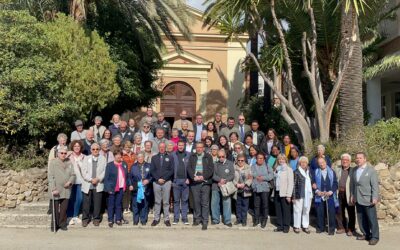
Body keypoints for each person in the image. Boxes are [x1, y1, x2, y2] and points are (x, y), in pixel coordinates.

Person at [350, 152, 380, 245]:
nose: (358, 159)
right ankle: (366, 234)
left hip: (368, 199)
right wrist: (352, 195)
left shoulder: (371, 170)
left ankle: (375, 237)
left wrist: (375, 197)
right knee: (361, 218)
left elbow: (375, 185)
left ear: (365, 159)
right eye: (357, 158)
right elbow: (353, 184)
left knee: (372, 219)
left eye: (360, 158)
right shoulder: (354, 170)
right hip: (358, 198)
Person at [187, 142, 214, 230]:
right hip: (195, 183)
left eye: (201, 147)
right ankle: (197, 219)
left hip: (205, 182)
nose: (199, 149)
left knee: (205, 203)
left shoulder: (208, 157)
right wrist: (193, 177)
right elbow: (189, 168)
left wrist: (203, 176)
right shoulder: (192, 156)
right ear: (195, 148)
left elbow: (211, 169)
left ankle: (205, 221)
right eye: (197, 147)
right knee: (196, 202)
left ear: (203, 148)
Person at [48, 146, 75, 232]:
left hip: (66, 189)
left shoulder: (69, 162)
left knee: (64, 209)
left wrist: (70, 181)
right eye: (61, 153)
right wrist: (53, 188)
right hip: (56, 188)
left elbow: (73, 175)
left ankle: (62, 224)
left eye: (65, 153)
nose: (63, 155)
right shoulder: (53, 162)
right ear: (58, 154)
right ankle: (54, 225)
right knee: (55, 209)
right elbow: (50, 177)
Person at [80, 143, 106, 227]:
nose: (95, 150)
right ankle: (85, 219)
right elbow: (83, 172)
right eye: (93, 149)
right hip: (88, 183)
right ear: (91, 150)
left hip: (98, 183)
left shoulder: (103, 159)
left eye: (97, 149)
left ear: (99, 150)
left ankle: (96, 219)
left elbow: (105, 171)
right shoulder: (86, 158)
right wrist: (91, 179)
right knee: (86, 203)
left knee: (97, 203)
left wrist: (98, 179)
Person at [150, 142, 174, 227]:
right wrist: (158, 179)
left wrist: (164, 179)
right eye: (160, 147)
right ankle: (156, 219)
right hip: (156, 182)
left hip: (166, 182)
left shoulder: (170, 157)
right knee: (157, 201)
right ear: (158, 148)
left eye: (163, 147)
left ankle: (166, 219)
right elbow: (152, 170)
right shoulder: (154, 158)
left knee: (166, 202)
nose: (162, 148)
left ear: (165, 147)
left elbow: (172, 170)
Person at [312, 157, 338, 235]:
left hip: (329, 195)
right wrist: (317, 191)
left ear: (325, 162)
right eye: (319, 163)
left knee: (331, 212)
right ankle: (320, 228)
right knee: (319, 212)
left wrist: (331, 191)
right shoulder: (316, 171)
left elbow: (335, 183)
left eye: (322, 162)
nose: (321, 164)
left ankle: (331, 229)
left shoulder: (332, 171)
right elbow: (313, 182)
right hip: (319, 195)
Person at [104, 149, 129, 228]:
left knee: (118, 205)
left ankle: (118, 219)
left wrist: (127, 185)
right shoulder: (110, 165)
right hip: (112, 188)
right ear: (114, 156)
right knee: (111, 205)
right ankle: (110, 220)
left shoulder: (124, 164)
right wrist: (108, 189)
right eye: (117, 155)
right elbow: (106, 178)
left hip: (121, 188)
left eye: (120, 155)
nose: (118, 156)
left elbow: (126, 176)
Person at [211, 149, 235, 227]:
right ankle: (215, 219)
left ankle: (227, 220)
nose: (221, 158)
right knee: (214, 203)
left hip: (226, 186)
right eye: (219, 156)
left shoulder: (230, 164)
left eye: (222, 156)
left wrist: (225, 181)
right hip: (216, 186)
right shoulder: (215, 164)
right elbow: (213, 175)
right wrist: (219, 180)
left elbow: (232, 175)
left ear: (225, 156)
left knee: (227, 203)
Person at [334, 153, 356, 236]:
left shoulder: (353, 170)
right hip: (339, 193)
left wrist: (353, 194)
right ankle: (341, 227)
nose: (345, 161)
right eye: (343, 160)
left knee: (351, 211)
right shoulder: (337, 169)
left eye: (347, 160)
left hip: (349, 193)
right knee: (339, 211)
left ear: (350, 161)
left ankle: (351, 229)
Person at [129, 152, 152, 226]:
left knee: (144, 205)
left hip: (146, 189)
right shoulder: (133, 166)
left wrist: (148, 180)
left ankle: (143, 220)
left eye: (141, 157)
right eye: (139, 157)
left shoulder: (149, 165)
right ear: (137, 158)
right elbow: (130, 177)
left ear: (144, 157)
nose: (140, 158)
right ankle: (135, 220)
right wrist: (130, 185)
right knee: (135, 206)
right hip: (136, 189)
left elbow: (152, 176)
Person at [251, 153, 274, 228]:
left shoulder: (267, 166)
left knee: (265, 205)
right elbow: (251, 175)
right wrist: (256, 178)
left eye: (261, 158)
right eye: (258, 158)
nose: (260, 160)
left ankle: (264, 219)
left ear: (264, 159)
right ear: (256, 159)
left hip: (265, 188)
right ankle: (256, 219)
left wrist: (263, 178)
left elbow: (271, 175)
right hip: (256, 187)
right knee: (256, 205)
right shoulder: (253, 166)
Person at [273, 154, 294, 233]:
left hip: (285, 193)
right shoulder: (276, 169)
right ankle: (280, 226)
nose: (281, 161)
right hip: (277, 191)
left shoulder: (289, 169)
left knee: (286, 210)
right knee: (278, 210)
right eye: (279, 159)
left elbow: (290, 183)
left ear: (286, 160)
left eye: (282, 159)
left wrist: (289, 195)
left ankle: (286, 226)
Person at [171, 140, 191, 225]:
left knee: (185, 200)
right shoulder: (173, 155)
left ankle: (184, 218)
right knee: (176, 200)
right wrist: (172, 179)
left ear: (185, 145)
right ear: (177, 145)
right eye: (179, 145)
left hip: (185, 180)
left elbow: (191, 167)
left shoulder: (189, 155)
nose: (181, 147)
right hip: (176, 180)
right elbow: (170, 168)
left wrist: (189, 178)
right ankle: (176, 218)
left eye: (182, 145)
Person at [67, 140, 85, 226]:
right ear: (72, 148)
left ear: (81, 147)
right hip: (71, 181)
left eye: (78, 146)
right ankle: (70, 216)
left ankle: (75, 215)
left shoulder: (84, 157)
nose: (77, 147)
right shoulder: (68, 156)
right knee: (71, 198)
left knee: (80, 199)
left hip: (81, 181)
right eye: (75, 146)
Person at [292, 156, 313, 234]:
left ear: (307, 164)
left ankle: (305, 226)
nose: (304, 164)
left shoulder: (309, 172)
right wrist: (293, 196)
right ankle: (297, 226)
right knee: (297, 210)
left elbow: (311, 182)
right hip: (299, 194)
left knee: (306, 210)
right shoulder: (296, 172)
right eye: (302, 162)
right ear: (299, 163)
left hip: (308, 195)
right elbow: (293, 185)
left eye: (305, 162)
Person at [233, 153, 253, 226]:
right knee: (238, 205)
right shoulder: (234, 167)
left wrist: (245, 184)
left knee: (245, 205)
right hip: (237, 188)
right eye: (239, 160)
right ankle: (239, 219)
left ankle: (244, 220)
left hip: (246, 188)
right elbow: (232, 178)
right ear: (236, 160)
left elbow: (251, 178)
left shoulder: (248, 167)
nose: (240, 162)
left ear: (245, 160)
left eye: (242, 160)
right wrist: (236, 184)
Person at [122, 141, 136, 214]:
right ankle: (125, 207)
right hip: (125, 174)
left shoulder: (133, 154)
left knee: (131, 191)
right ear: (124, 147)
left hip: (132, 174)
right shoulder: (122, 155)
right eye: (126, 147)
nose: (127, 148)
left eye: (129, 147)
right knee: (125, 191)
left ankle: (130, 206)